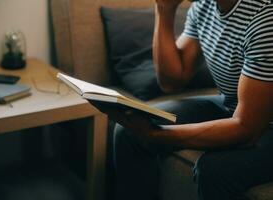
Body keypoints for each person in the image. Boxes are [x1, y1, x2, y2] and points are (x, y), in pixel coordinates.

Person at [103, 0, 273, 199]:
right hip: (233, 104)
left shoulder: (264, 18)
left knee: (214, 170)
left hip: (264, 122)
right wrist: (164, 11)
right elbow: (172, 81)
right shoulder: (204, 6)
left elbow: (246, 129)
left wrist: (156, 135)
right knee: (128, 132)